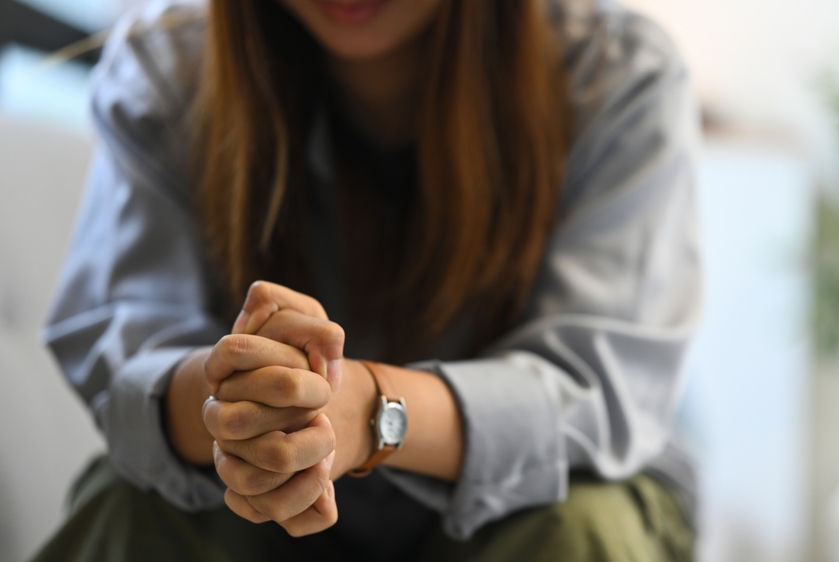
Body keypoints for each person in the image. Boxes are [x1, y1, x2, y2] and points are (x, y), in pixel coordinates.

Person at [34, 0, 701, 560]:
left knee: (579, 529)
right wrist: (248, 404)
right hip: (258, 506)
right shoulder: (166, 71)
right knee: (132, 506)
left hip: (538, 513)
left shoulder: (617, 74)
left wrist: (372, 410)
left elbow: (594, 392)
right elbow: (130, 362)